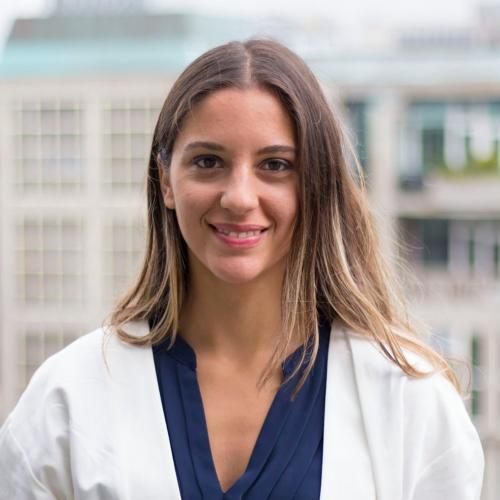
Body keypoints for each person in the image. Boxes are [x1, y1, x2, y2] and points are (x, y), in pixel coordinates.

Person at [0, 39, 484, 500]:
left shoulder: (412, 402)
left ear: (316, 185)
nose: (238, 197)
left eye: (275, 165)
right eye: (208, 161)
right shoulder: (65, 400)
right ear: (166, 181)